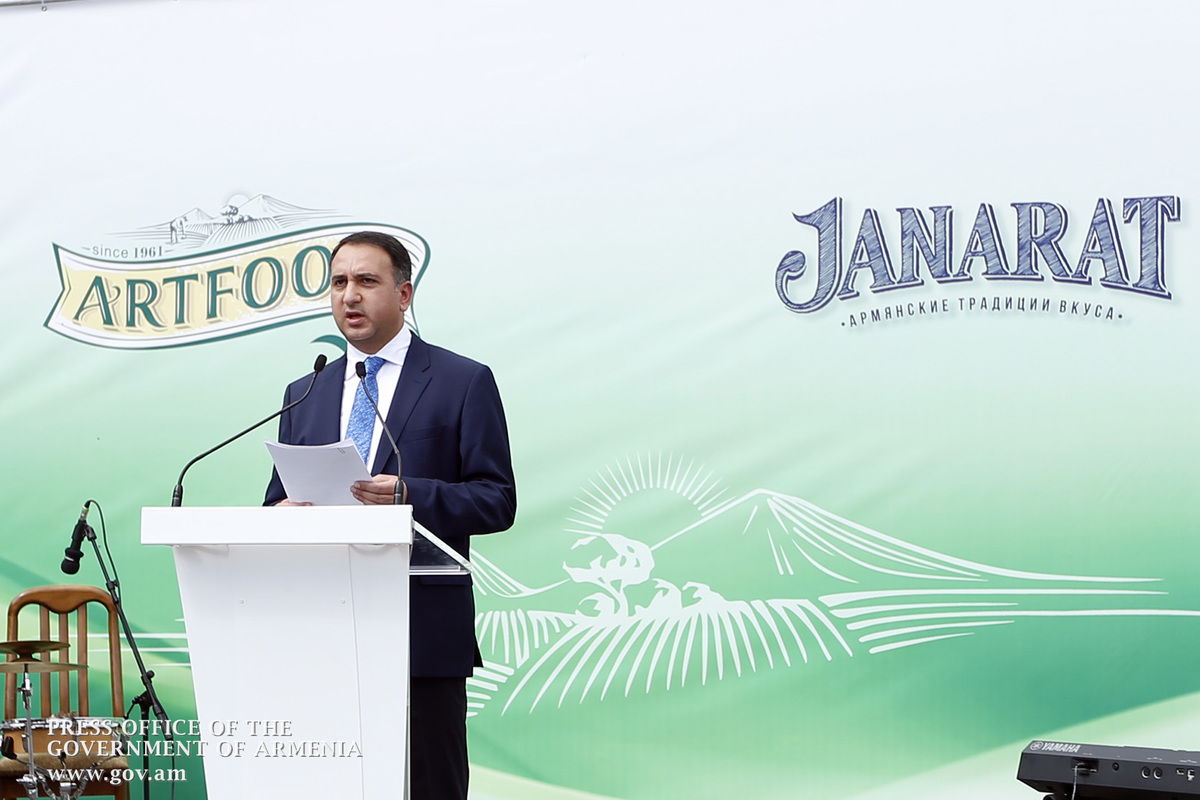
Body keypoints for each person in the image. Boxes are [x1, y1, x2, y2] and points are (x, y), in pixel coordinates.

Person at [264, 230, 517, 800]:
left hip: (419, 630)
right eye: (338, 283)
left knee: (428, 785)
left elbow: (496, 499)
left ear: (404, 295)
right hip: (322, 627)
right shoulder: (306, 391)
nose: (349, 295)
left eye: (366, 281)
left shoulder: (461, 381)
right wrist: (280, 511)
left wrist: (410, 493)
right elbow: (277, 498)